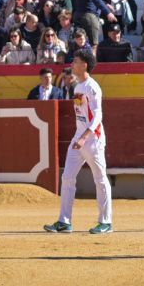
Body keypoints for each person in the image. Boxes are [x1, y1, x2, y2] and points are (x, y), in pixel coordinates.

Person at [43, 49, 113, 234]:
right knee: (67, 178)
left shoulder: (92, 87)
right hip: (79, 136)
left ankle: (106, 222)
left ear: (85, 65)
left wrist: (84, 137)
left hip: (93, 139)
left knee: (100, 178)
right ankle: (64, 221)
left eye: (75, 61)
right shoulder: (78, 87)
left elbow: (98, 115)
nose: (72, 63)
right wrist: (79, 136)